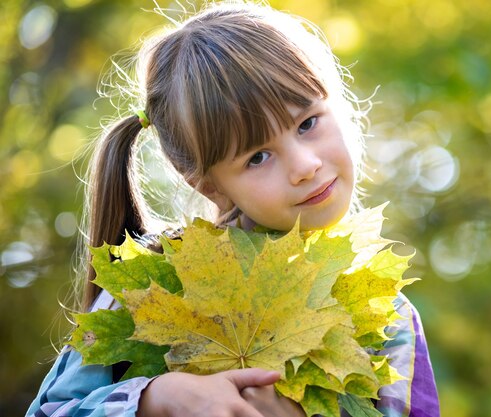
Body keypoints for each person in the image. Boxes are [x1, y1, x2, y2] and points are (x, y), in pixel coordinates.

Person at [26, 1, 440, 416]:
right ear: (209, 185)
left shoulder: (382, 313)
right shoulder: (156, 282)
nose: (304, 166)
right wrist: (155, 399)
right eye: (258, 157)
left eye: (307, 123)